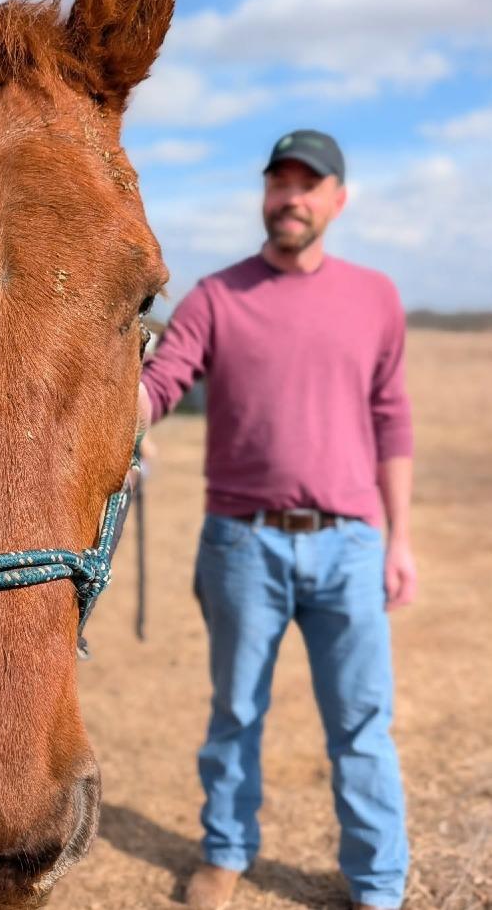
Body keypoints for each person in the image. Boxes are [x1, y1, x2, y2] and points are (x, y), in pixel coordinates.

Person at [139, 130, 416, 910]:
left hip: (353, 545)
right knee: (236, 710)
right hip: (242, 544)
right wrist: (110, 415)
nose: (290, 197)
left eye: (308, 183)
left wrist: (401, 541)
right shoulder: (216, 296)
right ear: (265, 195)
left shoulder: (377, 297)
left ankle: (378, 882)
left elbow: (392, 421)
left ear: (337, 199)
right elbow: (159, 385)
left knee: (363, 726)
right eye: (279, 182)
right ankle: (225, 853)